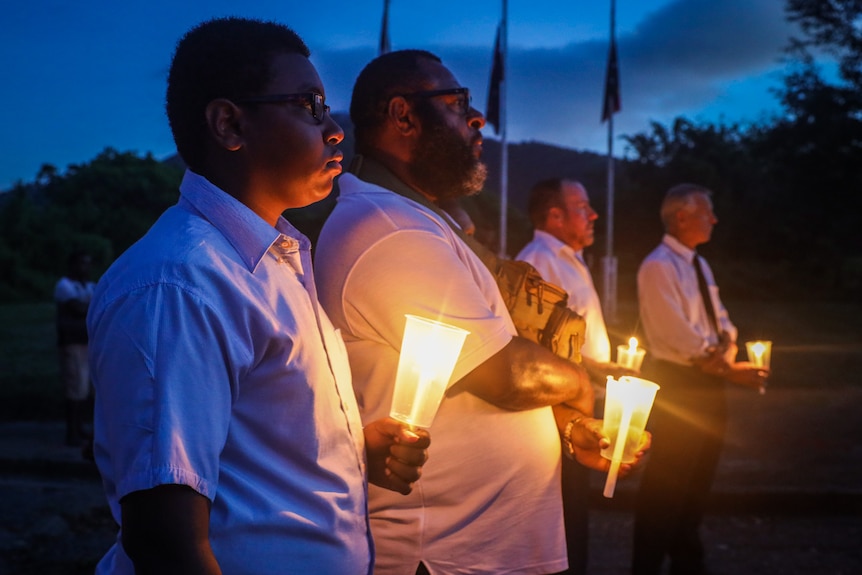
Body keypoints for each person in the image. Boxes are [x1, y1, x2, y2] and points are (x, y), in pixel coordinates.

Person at [86, 18, 429, 575]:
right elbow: (164, 541)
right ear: (228, 123)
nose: (335, 129)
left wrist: (354, 451)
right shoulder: (180, 283)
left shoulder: (275, 261)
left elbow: (249, 448)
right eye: (310, 106)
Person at [315, 49, 645, 575]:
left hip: (477, 550)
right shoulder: (388, 229)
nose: (477, 117)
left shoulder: (418, 220)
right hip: (445, 554)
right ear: (403, 115)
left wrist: (563, 427)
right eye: (458, 102)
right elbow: (508, 373)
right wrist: (581, 390)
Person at [632, 183, 768, 575]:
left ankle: (687, 561)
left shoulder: (697, 264)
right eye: (707, 212)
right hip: (681, 384)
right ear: (682, 217)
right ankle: (647, 564)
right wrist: (722, 362)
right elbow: (676, 333)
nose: (714, 218)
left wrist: (725, 345)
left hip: (707, 383)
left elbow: (720, 320)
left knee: (696, 484)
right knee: (667, 485)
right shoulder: (658, 266)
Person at [516, 177, 636, 575]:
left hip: (583, 401)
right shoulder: (538, 263)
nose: (593, 215)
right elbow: (537, 346)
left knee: (576, 516)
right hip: (558, 414)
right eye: (583, 207)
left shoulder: (569, 259)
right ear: (554, 215)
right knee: (563, 522)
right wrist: (598, 370)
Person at [55, 250, 95, 447]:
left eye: (87, 264)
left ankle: (79, 428)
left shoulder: (86, 286)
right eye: (81, 263)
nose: (85, 268)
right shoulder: (64, 286)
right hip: (72, 343)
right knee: (74, 388)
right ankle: (71, 432)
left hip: (85, 342)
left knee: (83, 388)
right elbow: (79, 309)